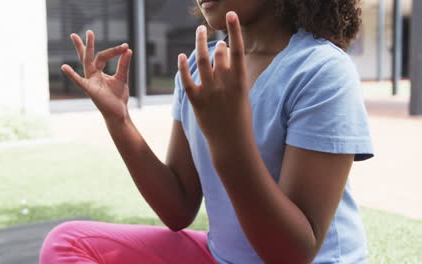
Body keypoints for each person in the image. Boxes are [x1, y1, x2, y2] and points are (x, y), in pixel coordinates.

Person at [40, 0, 373, 263]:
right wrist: (119, 120)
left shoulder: (320, 70)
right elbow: (178, 208)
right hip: (218, 257)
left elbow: (293, 254)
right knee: (68, 243)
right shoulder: (201, 66)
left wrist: (229, 143)